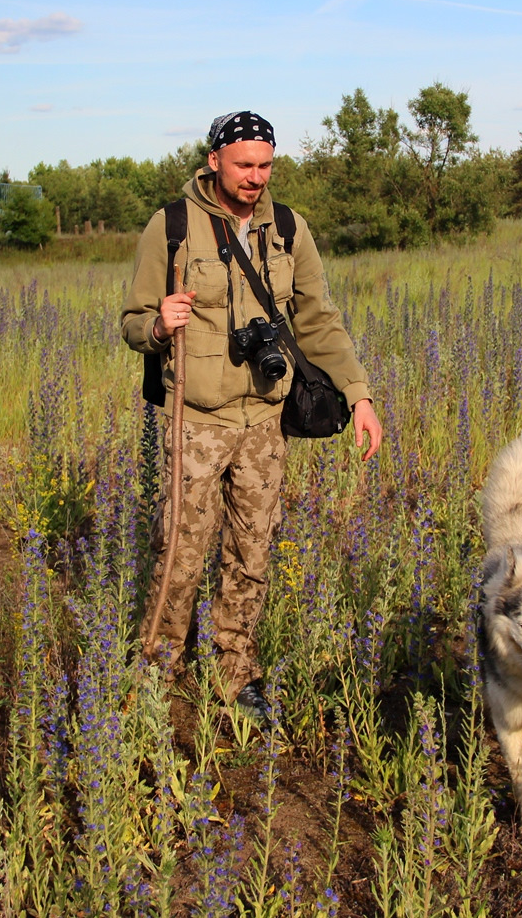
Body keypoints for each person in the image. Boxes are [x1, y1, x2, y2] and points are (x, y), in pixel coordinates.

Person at [121, 110, 383, 711]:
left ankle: (235, 674)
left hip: (265, 424)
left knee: (252, 551)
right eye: (244, 165)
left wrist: (360, 396)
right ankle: (159, 674)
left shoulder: (289, 229)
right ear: (214, 160)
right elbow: (133, 324)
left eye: (265, 165)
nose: (256, 177)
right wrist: (159, 324)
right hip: (196, 421)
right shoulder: (173, 226)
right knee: (179, 552)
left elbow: (319, 320)